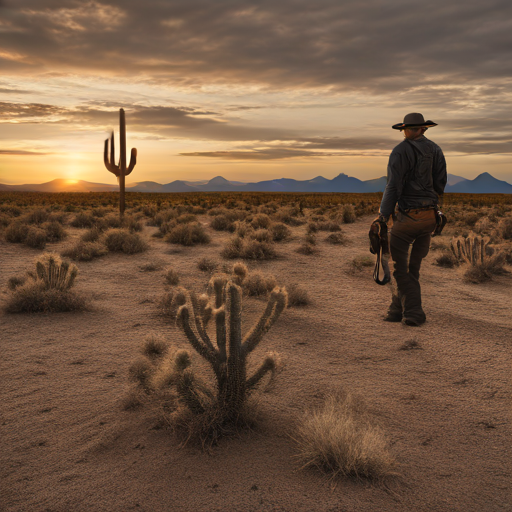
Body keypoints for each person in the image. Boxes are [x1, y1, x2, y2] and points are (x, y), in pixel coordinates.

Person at [377, 112, 447, 326]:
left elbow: (393, 185)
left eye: (408, 129)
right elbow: (440, 182)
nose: (405, 132)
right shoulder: (435, 149)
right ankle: (396, 310)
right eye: (405, 129)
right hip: (429, 217)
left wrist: (383, 215)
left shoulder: (400, 150)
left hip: (408, 216)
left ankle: (414, 312)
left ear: (417, 129)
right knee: (412, 268)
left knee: (400, 268)